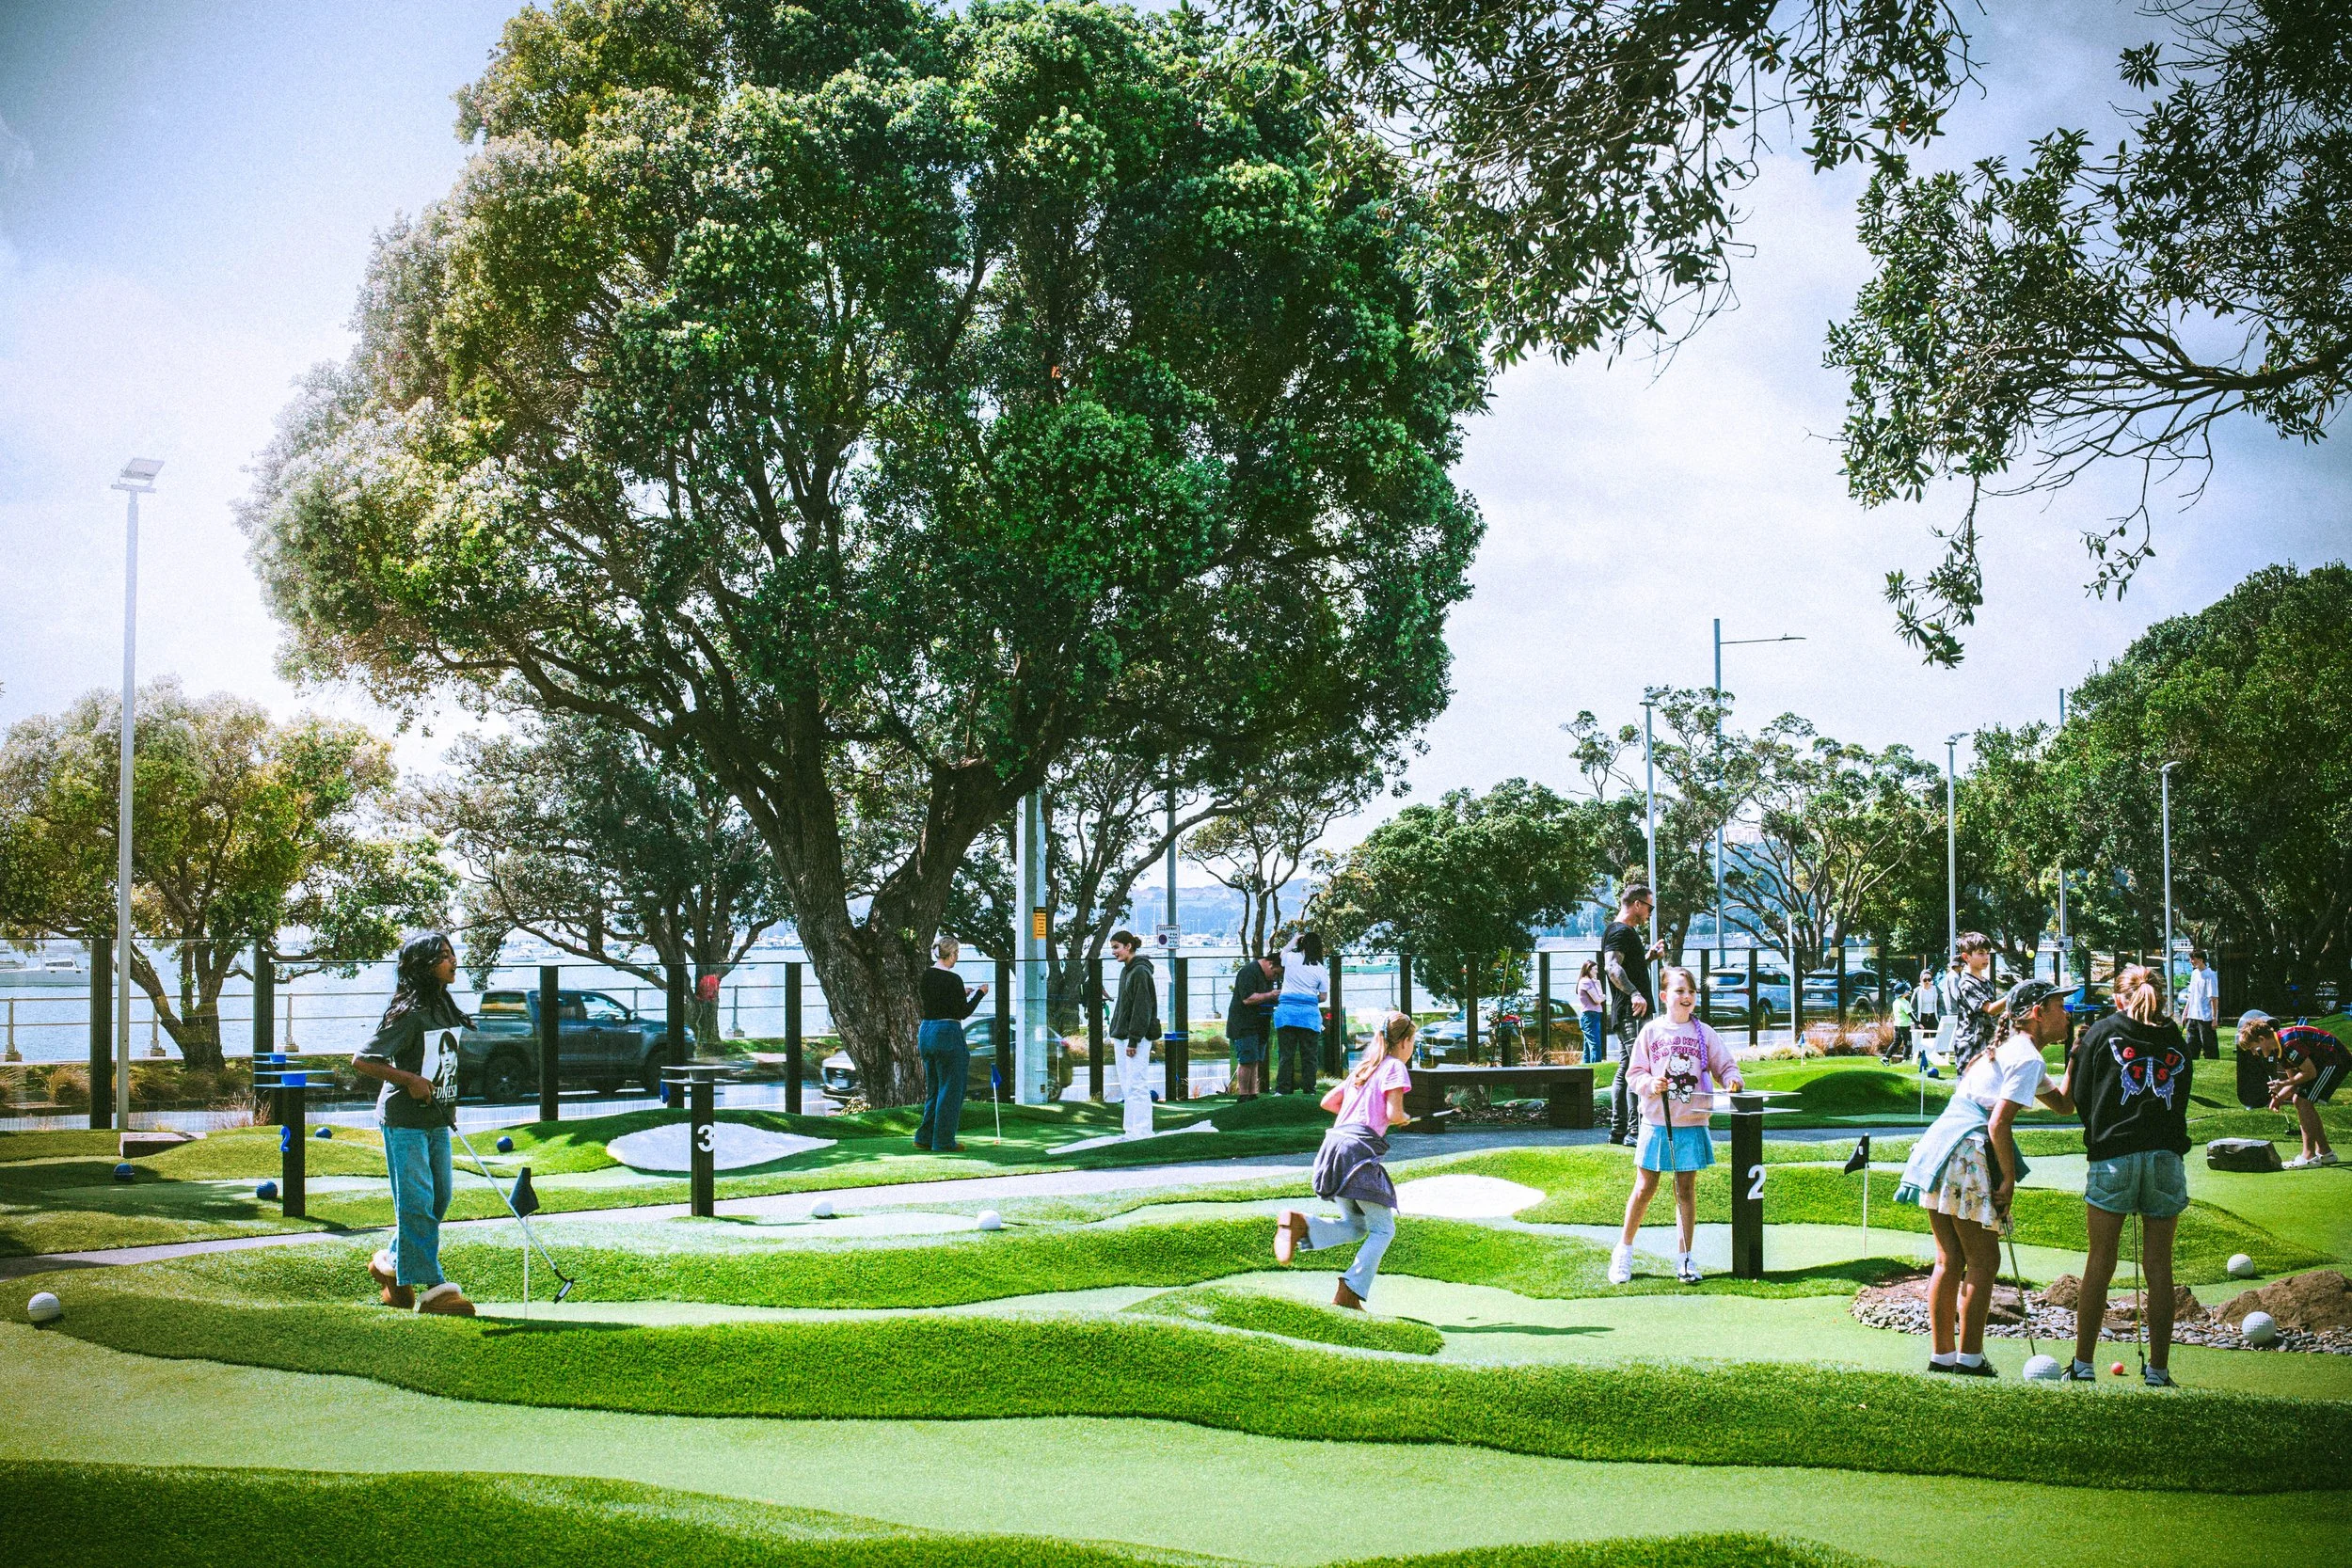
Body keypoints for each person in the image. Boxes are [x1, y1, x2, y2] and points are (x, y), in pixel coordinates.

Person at [1892, 978, 2075, 1375]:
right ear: (2037, 1013)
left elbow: (2063, 1105)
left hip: (1940, 1146)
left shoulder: (2012, 1052)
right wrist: (2007, 1179)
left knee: (1949, 1258)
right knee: (1983, 1260)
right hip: (1967, 1150)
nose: (2068, 1013)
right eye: (2061, 1006)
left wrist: (2078, 1057)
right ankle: (1970, 1360)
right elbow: (1998, 1124)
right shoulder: (2027, 1058)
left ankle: (1943, 1358)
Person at [2058, 965, 2191, 1386]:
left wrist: (2098, 1127)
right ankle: (2158, 1371)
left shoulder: (2099, 1031)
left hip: (2114, 1155)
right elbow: (2182, 1093)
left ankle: (2082, 1366)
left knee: (2100, 1262)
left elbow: (2079, 1093)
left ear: (2119, 998)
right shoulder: (2175, 1036)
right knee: (2158, 1267)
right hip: (2166, 1158)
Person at [352, 932, 476, 1317]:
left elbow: (445, 1063)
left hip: (437, 1119)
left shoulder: (445, 1008)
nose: (452, 960)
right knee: (417, 1201)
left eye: (452, 954)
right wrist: (409, 1080)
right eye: (443, 956)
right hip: (403, 1121)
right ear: (422, 966)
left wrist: (448, 1101)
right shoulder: (408, 1014)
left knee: (439, 1199)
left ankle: (389, 1265)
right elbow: (363, 1059)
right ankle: (435, 1288)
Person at [1609, 967, 1742, 1286]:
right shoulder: (1652, 1032)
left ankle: (1684, 1258)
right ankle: (1623, 1252)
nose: (1686, 997)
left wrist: (1732, 1080)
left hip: (1692, 1121)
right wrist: (1650, 1083)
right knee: (1645, 1188)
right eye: (1680, 991)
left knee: (1686, 1189)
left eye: (1691, 992)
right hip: (1657, 1122)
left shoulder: (1704, 1032)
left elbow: (1725, 1065)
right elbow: (1635, 1073)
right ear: (1665, 996)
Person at [1273, 1010, 1416, 1308]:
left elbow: (1328, 1102)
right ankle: (1349, 1291)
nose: (1411, 1047)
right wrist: (1403, 1118)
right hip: (1357, 1152)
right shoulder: (1395, 1068)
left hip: (1333, 1145)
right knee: (1383, 1229)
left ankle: (1301, 1224)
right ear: (1403, 1041)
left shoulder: (1365, 1068)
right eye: (1412, 1041)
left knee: (1356, 1225)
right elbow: (1393, 1114)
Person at [2234, 1010, 2344, 1167]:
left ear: (2262, 1039)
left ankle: (2309, 1156)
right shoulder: (2279, 1050)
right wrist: (2278, 1097)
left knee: (2301, 1101)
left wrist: (2281, 1085)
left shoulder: (2288, 1044)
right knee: (2301, 1100)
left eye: (2254, 1048)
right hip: (2321, 1063)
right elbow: (2294, 1083)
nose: (2255, 1053)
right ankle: (2325, 1152)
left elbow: (2309, 1073)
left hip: (2334, 1060)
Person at [1602, 885, 1666, 1145]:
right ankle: (1634, 1131)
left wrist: (1649, 957)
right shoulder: (1619, 931)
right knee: (1639, 1067)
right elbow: (1612, 967)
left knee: (1625, 1068)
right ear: (1637, 904)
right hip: (1631, 1012)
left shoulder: (1624, 933)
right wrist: (1634, 994)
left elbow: (1628, 966)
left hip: (1630, 1010)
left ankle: (1618, 1131)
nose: (1650, 913)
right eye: (1649, 907)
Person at [914, 937, 986, 1152]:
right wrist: (980, 994)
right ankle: (944, 1141)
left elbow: (936, 1000)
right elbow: (962, 1012)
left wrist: (959, 994)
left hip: (926, 1031)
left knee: (934, 1087)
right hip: (947, 1033)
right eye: (957, 954)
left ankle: (924, 1136)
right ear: (952, 954)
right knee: (951, 1088)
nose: (957, 958)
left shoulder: (927, 975)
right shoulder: (954, 979)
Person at [1106, 931, 1160, 1138]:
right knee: (1128, 1085)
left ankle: (1143, 1130)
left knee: (1137, 1084)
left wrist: (1134, 1039)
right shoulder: (1126, 970)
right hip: (1122, 1035)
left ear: (1129, 946)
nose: (1114, 952)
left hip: (1134, 1037)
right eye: (1113, 947)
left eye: (1117, 947)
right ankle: (1131, 1130)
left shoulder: (1139, 972)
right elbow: (1124, 1006)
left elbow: (1142, 1008)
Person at [1272, 930, 1330, 1095]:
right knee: (1309, 1056)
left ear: (1301, 944)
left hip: (1286, 1015)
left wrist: (1294, 939)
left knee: (1286, 1055)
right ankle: (1309, 1089)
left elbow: (1282, 952)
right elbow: (1324, 997)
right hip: (1309, 1017)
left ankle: (1282, 1090)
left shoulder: (1290, 959)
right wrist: (1309, 998)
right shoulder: (1320, 969)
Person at [1945, 934, 2008, 1074]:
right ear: (1966, 957)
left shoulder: (1988, 984)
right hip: (1970, 1046)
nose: (1986, 957)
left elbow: (1995, 1016)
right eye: (1980, 953)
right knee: (1967, 1091)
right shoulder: (1966, 984)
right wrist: (2014, 994)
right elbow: (1990, 1009)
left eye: (1987, 953)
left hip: (1988, 1044)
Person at [1225, 950, 1280, 1101]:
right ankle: (1243, 1093)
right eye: (1275, 973)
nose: (1274, 977)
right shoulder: (1248, 972)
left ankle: (1252, 1092)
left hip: (1261, 1022)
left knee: (1255, 1059)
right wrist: (1270, 995)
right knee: (1246, 1060)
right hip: (1244, 1023)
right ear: (1270, 964)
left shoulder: (1267, 977)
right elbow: (1247, 998)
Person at [2179, 950, 2219, 1060]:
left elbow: (2214, 998)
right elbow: (2191, 995)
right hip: (2193, 1015)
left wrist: (2214, 1018)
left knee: (2209, 1045)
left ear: (2201, 960)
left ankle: (2212, 1062)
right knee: (2191, 1044)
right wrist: (2185, 1012)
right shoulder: (2194, 974)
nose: (2191, 961)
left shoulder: (2210, 975)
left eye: (2193, 959)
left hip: (2205, 1016)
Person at [1575, 960, 1608, 1066]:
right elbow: (1598, 999)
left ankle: (1586, 1068)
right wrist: (1603, 997)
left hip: (1593, 1015)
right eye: (1595, 969)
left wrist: (1598, 985)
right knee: (1595, 1044)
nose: (1597, 972)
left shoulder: (1591, 981)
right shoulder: (1586, 982)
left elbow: (1600, 995)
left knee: (1588, 1046)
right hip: (1590, 1016)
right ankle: (1596, 1068)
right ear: (1588, 969)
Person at [1890, 984, 1915, 1064]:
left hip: (1897, 1025)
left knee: (1897, 1042)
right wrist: (1918, 1022)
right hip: (1905, 1026)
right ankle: (1905, 1058)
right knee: (1908, 1043)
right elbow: (1910, 1013)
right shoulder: (1905, 1002)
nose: (1908, 992)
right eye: (1906, 991)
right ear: (1903, 992)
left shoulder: (1895, 1002)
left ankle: (1886, 1056)